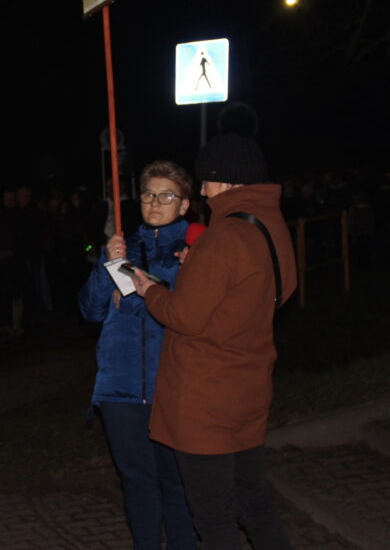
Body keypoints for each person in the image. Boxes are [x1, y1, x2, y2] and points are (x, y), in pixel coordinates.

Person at [133, 133, 297, 549]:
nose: (203, 192)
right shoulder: (270, 224)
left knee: (213, 515)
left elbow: (183, 316)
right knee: (253, 502)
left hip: (205, 400)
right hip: (249, 386)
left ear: (226, 180)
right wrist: (201, 271)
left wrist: (150, 289)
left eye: (207, 181)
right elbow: (280, 287)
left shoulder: (224, 235)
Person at [79, 160, 197, 550]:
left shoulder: (194, 251)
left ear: (184, 204)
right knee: (136, 481)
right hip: (121, 388)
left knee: (177, 480)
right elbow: (90, 310)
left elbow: (189, 310)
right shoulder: (121, 249)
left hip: (172, 385)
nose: (155, 203)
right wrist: (105, 265)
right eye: (148, 194)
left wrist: (136, 296)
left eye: (166, 196)